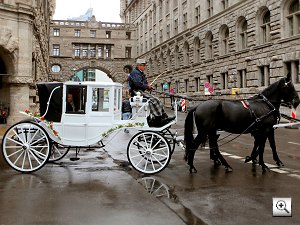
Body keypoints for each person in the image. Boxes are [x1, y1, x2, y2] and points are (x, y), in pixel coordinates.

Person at [128, 58, 175, 127]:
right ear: (139, 65)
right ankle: (158, 119)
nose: (145, 67)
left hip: (140, 91)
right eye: (143, 65)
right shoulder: (135, 73)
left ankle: (163, 116)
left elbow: (143, 83)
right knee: (154, 100)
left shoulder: (139, 73)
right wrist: (147, 86)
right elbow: (138, 84)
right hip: (137, 92)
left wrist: (148, 87)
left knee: (158, 100)